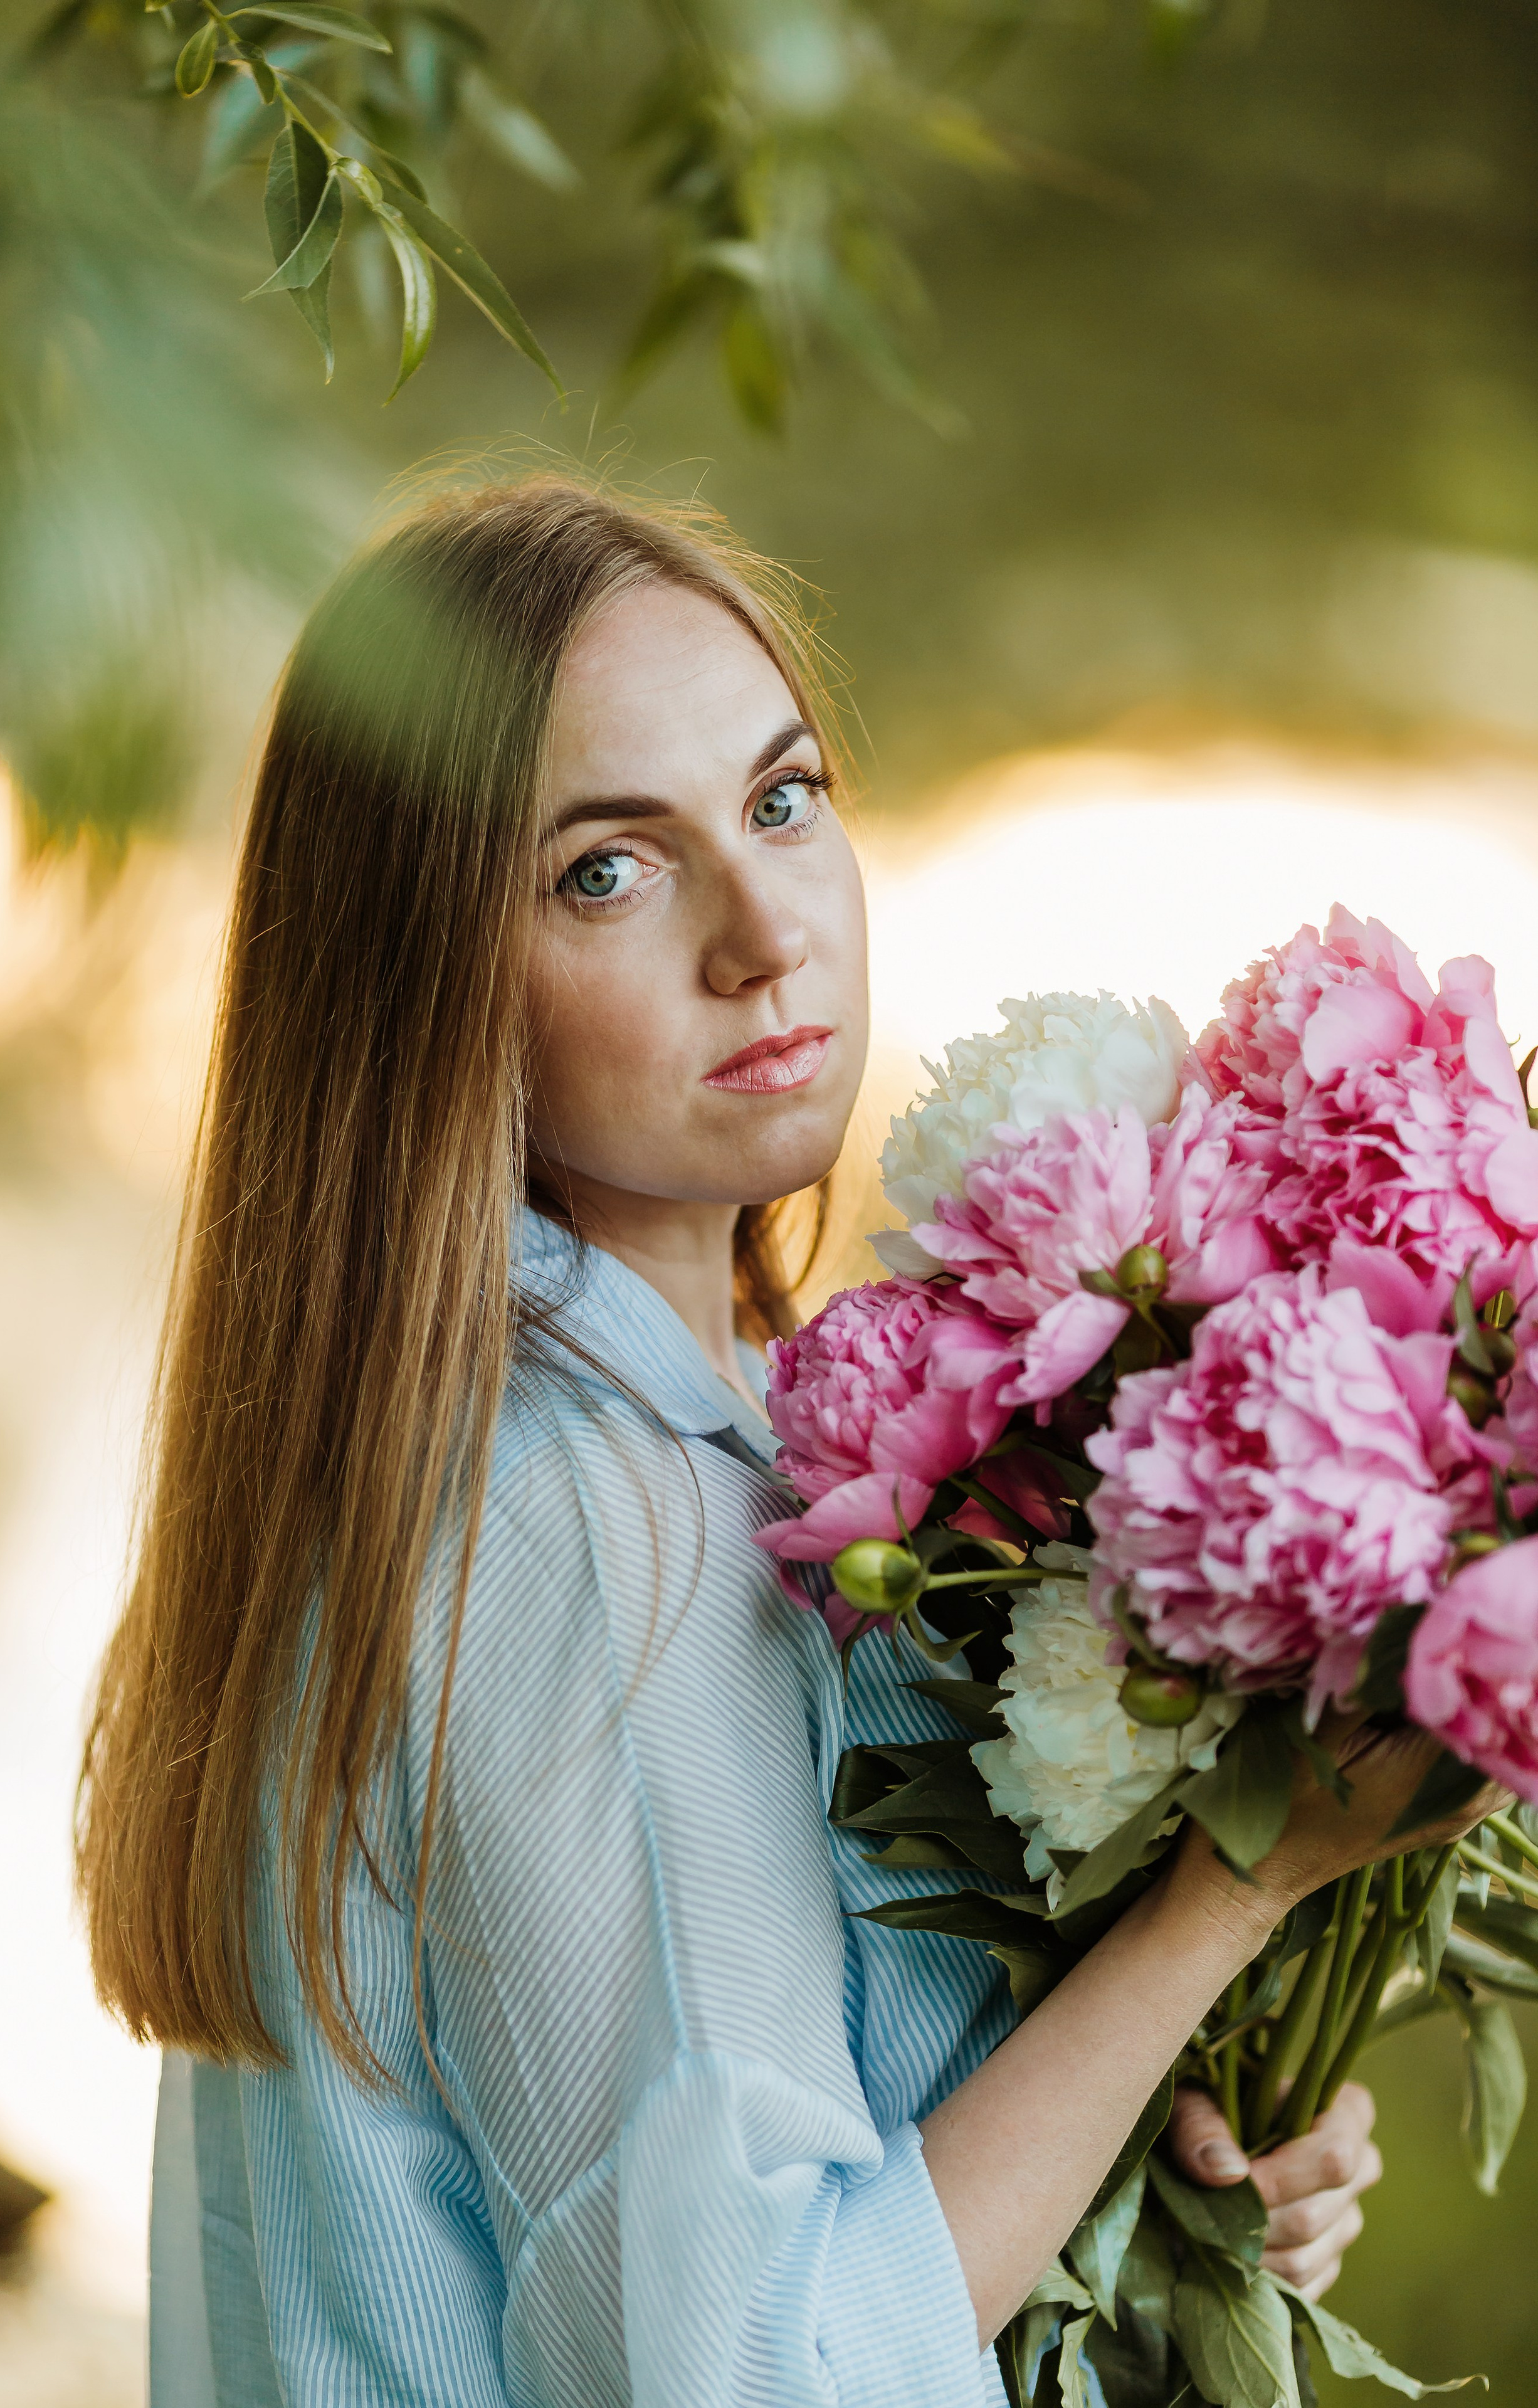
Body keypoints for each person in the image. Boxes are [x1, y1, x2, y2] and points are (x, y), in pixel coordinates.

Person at [77, 474, 1474, 2408]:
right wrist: (1230, 1903)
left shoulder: (672, 1432)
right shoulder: (587, 1536)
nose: (764, 935)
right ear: (424, 981)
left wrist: (1155, 2147)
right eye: (605, 869)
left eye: (783, 797)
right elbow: (770, 2370)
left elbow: (781, 2206)